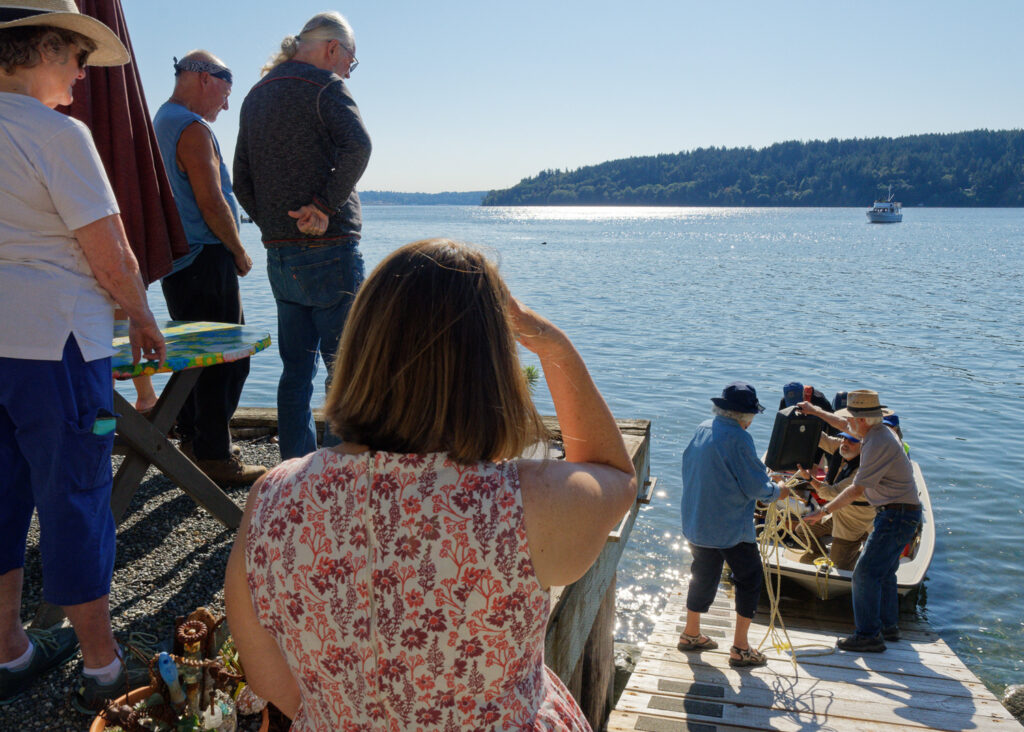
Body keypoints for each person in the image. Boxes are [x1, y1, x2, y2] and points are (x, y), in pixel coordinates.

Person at [224, 238, 636, 729]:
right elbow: (615, 476)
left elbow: (268, 678)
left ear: (361, 349)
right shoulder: (523, 504)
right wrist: (551, 343)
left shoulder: (274, 497)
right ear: (492, 373)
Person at [0, 1, 166, 710]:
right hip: (60, 349)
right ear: (38, 49)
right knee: (78, 494)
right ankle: (103, 665)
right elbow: (110, 252)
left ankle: (9, 648)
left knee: (2, 496)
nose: (82, 71)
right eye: (73, 54)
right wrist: (141, 317)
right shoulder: (57, 133)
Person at [233, 11, 371, 459]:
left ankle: (294, 469)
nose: (351, 67)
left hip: (281, 257)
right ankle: (335, 474)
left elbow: (241, 180)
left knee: (295, 371)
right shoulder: (325, 86)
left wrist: (275, 225)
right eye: (352, 58)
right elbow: (360, 145)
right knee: (345, 368)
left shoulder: (256, 95)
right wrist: (324, 208)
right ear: (333, 48)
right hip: (331, 251)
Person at [153, 50, 265, 486]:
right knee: (228, 360)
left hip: (178, 259)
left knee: (195, 359)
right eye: (225, 91)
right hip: (204, 255)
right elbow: (212, 201)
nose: (226, 103)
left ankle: (187, 438)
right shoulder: (192, 129)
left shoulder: (160, 121)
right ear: (204, 78)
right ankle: (214, 455)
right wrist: (238, 250)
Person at [799, 389, 921, 652]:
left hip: (896, 515)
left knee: (864, 574)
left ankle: (868, 635)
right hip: (899, 513)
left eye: (852, 418)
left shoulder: (877, 443)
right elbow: (841, 424)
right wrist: (814, 411)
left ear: (862, 420)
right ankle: (888, 627)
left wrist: (823, 511)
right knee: (885, 573)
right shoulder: (876, 432)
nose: (848, 423)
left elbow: (856, 489)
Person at [679, 382, 789, 668]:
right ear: (744, 416)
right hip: (729, 526)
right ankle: (741, 648)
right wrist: (779, 491)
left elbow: (693, 466)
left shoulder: (703, 427)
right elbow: (756, 487)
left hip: (697, 520)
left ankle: (691, 634)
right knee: (749, 578)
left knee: (702, 573)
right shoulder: (740, 438)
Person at [794, 432, 874, 570]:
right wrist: (810, 417)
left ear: (864, 447)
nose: (845, 443)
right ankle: (819, 553)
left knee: (838, 568)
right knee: (803, 529)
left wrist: (809, 479)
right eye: (844, 438)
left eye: (852, 441)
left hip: (855, 521)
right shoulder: (843, 447)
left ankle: (858, 556)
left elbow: (831, 494)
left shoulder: (863, 471)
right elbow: (824, 440)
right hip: (838, 512)